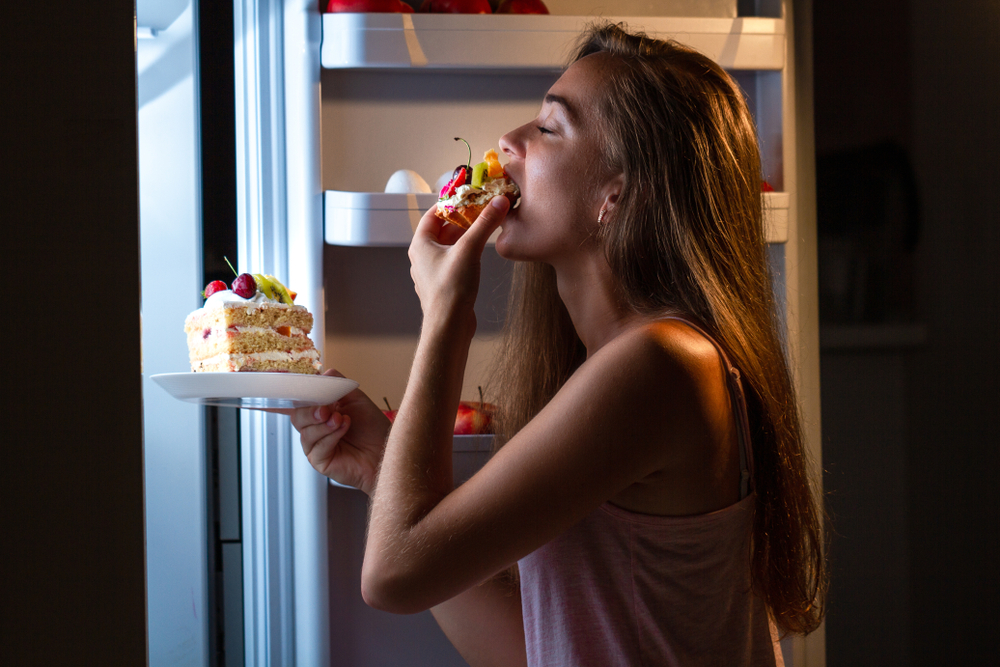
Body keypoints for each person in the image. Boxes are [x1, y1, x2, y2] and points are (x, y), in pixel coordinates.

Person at [291, 22, 826, 667]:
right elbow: (530, 648)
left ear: (616, 196)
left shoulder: (660, 366)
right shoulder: (631, 364)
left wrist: (446, 314)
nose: (507, 142)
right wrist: (383, 469)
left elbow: (392, 576)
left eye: (548, 128)